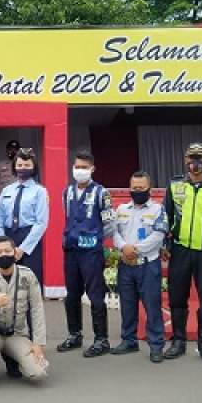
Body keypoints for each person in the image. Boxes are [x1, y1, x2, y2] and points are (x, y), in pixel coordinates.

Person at [163, 142, 202, 365]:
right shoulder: (175, 185)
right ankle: (178, 341)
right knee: (177, 297)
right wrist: (165, 244)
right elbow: (166, 218)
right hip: (180, 250)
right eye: (191, 158)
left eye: (199, 158)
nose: (195, 163)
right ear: (185, 160)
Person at [57, 150, 115, 358]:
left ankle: (101, 339)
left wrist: (96, 239)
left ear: (92, 169)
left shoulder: (101, 193)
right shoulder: (67, 192)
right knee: (71, 294)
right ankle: (75, 335)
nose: (79, 170)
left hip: (91, 252)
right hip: (71, 251)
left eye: (84, 167)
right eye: (77, 166)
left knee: (95, 296)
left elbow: (109, 223)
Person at [0, 236, 48, 390]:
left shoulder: (27, 275)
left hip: (17, 333)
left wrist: (38, 343)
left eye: (8, 250)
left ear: (15, 252)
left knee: (38, 373)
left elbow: (37, 309)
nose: (4, 254)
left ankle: (11, 357)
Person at [111, 171, 168, 363]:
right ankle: (129, 340)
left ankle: (156, 345)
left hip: (147, 265)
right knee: (127, 306)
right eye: (134, 188)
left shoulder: (158, 209)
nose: (137, 191)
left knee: (152, 306)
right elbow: (115, 232)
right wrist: (123, 248)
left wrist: (135, 249)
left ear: (149, 188)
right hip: (126, 265)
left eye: (141, 188)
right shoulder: (121, 209)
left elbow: (159, 235)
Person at [0, 148, 49, 284]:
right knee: (6, 282)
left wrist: (23, 249)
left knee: (29, 283)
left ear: (33, 167)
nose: (22, 168)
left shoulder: (40, 192)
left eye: (27, 165)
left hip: (30, 239)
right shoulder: (7, 190)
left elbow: (41, 222)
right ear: (14, 167)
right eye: (19, 165)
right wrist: (2, 243)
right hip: (7, 237)